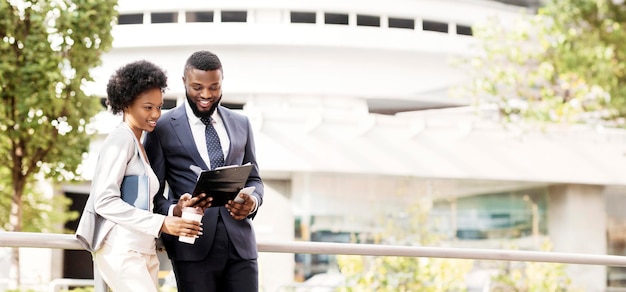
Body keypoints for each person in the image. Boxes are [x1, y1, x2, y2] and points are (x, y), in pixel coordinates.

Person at [144, 50, 264, 291]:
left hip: (240, 246)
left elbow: (255, 179)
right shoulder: (162, 127)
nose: (206, 95)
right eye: (197, 87)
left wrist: (252, 202)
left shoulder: (241, 124)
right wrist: (175, 209)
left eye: (214, 87)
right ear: (184, 82)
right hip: (192, 247)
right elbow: (152, 194)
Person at [90, 60, 203, 291]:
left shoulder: (138, 142)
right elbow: (103, 200)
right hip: (122, 249)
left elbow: (139, 200)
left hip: (143, 248)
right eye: (148, 107)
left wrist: (177, 209)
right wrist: (162, 222)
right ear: (126, 104)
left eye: (159, 107)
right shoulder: (121, 139)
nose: (156, 114)